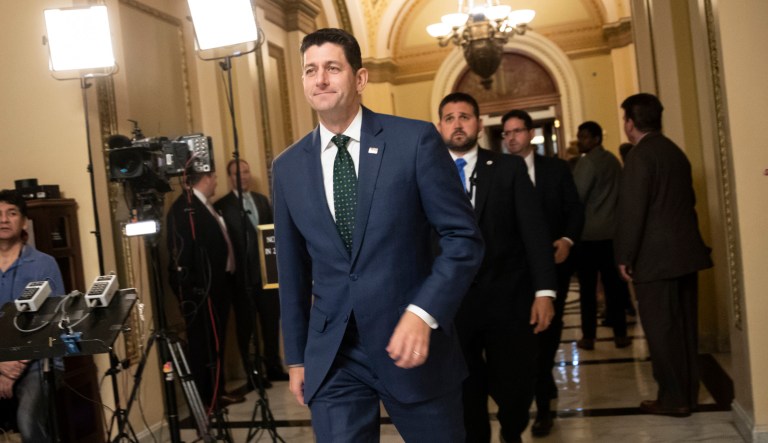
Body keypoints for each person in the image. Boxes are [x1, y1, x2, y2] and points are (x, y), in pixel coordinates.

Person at [272, 28, 483, 442]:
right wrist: (296, 357)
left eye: (332, 68)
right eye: (310, 71)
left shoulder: (414, 141)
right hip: (334, 355)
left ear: (360, 79)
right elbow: (292, 270)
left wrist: (423, 312)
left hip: (411, 347)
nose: (320, 80)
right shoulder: (288, 167)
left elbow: (463, 239)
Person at [437, 94, 557, 443]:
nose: (457, 124)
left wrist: (545, 291)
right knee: (464, 387)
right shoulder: (427, 173)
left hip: (508, 300)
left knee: (516, 382)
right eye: (449, 118)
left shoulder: (508, 169)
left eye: (465, 117)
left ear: (478, 124)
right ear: (440, 126)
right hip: (454, 306)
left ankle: (511, 428)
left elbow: (534, 233)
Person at [616, 93, 712, 417]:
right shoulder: (675, 152)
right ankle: (688, 394)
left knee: (661, 333)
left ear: (630, 123)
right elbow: (690, 200)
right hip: (687, 254)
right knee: (684, 330)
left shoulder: (639, 157)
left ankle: (674, 400)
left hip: (655, 260)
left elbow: (633, 212)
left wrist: (624, 255)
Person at [500, 109, 585, 437]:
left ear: (530, 134)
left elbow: (574, 209)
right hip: (514, 273)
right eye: (506, 132)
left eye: (517, 131)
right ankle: (535, 398)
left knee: (548, 333)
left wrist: (567, 239)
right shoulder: (499, 169)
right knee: (523, 340)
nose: (511, 138)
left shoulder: (555, 168)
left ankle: (545, 401)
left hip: (553, 266)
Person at [166, 171, 243, 407]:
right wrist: (193, 290)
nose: (217, 182)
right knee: (203, 344)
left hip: (219, 286)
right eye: (215, 178)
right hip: (201, 293)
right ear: (205, 178)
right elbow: (182, 255)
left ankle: (217, 390)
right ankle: (206, 396)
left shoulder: (204, 205)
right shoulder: (184, 209)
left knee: (216, 341)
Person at [214, 159, 288, 385]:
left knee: (270, 322)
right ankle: (253, 373)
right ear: (230, 178)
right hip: (242, 280)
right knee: (246, 328)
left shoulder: (262, 200)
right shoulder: (223, 206)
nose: (243, 177)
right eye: (238, 173)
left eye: (246, 172)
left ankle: (273, 366)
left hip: (268, 277)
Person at [0, 189, 65, 442]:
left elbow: (49, 323)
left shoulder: (43, 264)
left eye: (12, 213)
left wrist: (10, 369)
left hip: (38, 362)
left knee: (27, 421)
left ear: (24, 221)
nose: (4, 219)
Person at [571, 121, 632, 350]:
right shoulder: (613, 162)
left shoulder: (588, 163)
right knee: (614, 287)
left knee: (588, 290)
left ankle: (589, 336)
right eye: (580, 136)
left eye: (585, 137)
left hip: (590, 235)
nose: (580, 141)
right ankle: (620, 334)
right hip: (613, 233)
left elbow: (577, 196)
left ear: (596, 139)